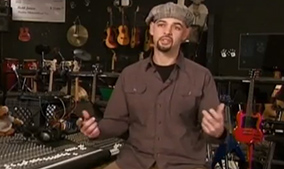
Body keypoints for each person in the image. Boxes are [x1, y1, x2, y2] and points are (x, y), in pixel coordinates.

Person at [79, 2, 227, 169]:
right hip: (134, 161)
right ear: (151, 29)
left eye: (176, 27)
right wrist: (97, 130)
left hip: (184, 164)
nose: (167, 31)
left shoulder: (201, 76)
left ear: (185, 33)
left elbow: (211, 132)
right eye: (161, 24)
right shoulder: (130, 75)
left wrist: (218, 131)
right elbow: (116, 122)